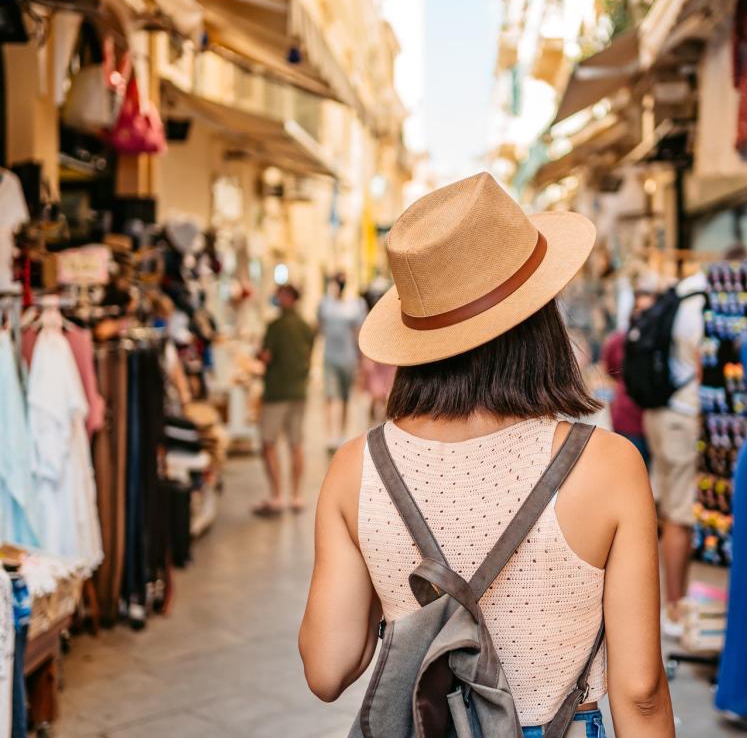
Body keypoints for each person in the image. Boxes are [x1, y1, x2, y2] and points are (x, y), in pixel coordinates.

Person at [299, 173, 673, 736]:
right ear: (539, 321)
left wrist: (397, 586)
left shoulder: (359, 467)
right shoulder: (607, 465)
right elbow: (640, 692)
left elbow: (328, 670)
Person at [642, 268, 707, 641]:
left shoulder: (677, 297)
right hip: (683, 418)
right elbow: (701, 366)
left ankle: (671, 602)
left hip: (662, 415)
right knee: (680, 516)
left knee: (667, 511)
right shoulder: (698, 309)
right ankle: (674, 608)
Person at [255, 284, 315, 515]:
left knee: (268, 443)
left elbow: (266, 356)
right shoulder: (305, 325)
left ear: (286, 297)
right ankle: (296, 495)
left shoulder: (276, 326)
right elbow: (309, 352)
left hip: (277, 392)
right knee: (296, 444)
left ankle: (277, 495)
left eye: (279, 294)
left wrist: (258, 355)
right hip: (299, 391)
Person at [601, 291, 654, 465]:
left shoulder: (660, 342)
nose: (642, 314)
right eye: (638, 308)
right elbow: (609, 369)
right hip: (627, 418)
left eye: (648, 309)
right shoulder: (618, 341)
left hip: (655, 419)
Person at [318, 273, 367, 452]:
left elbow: (358, 332)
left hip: (348, 358)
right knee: (330, 396)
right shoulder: (325, 304)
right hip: (330, 357)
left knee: (345, 397)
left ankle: (341, 434)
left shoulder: (355, 306)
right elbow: (320, 328)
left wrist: (363, 359)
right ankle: (330, 435)